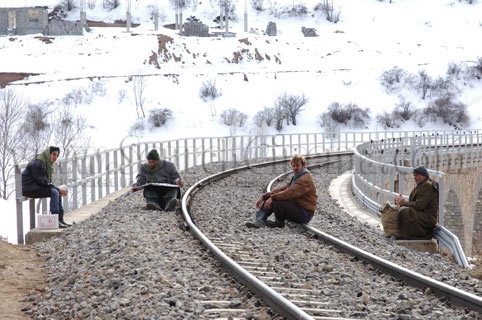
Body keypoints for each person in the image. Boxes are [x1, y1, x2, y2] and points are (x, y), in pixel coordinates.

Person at [245, 154, 318, 228]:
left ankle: (279, 223)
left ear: (303, 166)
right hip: (298, 208)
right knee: (273, 198)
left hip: (305, 213)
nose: (295, 168)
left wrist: (272, 198)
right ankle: (259, 221)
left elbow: (290, 193)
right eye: (293, 166)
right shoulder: (297, 177)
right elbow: (283, 189)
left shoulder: (305, 179)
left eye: (297, 165)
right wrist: (265, 197)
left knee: (276, 200)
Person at [22, 146, 71, 228]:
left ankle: (60, 219)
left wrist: (57, 189)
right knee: (55, 192)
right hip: (29, 188)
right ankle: (55, 221)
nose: (55, 157)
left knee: (56, 191)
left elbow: (44, 181)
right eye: (54, 154)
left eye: (57, 155)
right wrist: (57, 189)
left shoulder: (46, 163)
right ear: (48, 154)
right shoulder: (38, 163)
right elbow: (42, 181)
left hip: (36, 186)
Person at [394, 166, 439, 240]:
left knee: (405, 211)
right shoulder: (420, 185)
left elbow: (420, 205)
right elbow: (413, 202)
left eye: (417, 175)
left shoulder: (428, 186)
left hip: (427, 217)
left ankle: (408, 235)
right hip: (420, 213)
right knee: (399, 209)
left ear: (424, 176)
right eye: (414, 175)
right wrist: (401, 202)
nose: (415, 177)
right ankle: (402, 233)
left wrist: (404, 203)